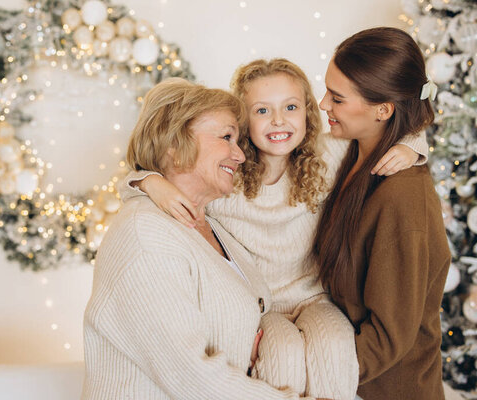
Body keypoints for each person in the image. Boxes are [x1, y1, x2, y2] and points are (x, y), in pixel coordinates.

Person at [120, 58, 428, 399]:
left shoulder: (327, 156)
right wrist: (148, 181)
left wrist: (411, 148)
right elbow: (148, 168)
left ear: (308, 113)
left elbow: (388, 125)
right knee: (282, 360)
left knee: (337, 351)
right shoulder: (227, 174)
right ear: (242, 120)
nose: (278, 121)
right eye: (262, 111)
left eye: (291, 107)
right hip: (263, 307)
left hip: (315, 298)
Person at [82, 78, 321, 400]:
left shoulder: (211, 224)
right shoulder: (146, 236)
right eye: (226, 138)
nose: (239, 155)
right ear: (175, 147)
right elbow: (191, 377)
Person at [314, 27, 450, 400]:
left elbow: (389, 336)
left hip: (385, 389)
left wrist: (312, 375)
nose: (323, 104)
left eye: (337, 98)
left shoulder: (403, 199)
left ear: (382, 110)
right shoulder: (352, 152)